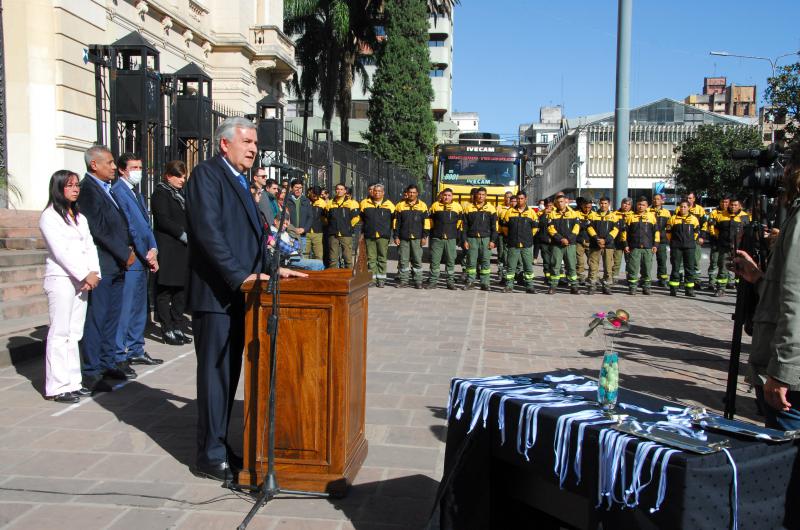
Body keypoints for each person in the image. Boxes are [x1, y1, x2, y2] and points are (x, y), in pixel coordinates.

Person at [184, 116, 306, 483]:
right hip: (216, 295)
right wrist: (240, 276)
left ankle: (221, 444)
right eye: (248, 142)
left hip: (241, 294)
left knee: (230, 374)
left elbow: (253, 238)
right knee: (216, 375)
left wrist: (273, 267)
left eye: (255, 144)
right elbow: (209, 233)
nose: (254, 149)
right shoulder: (207, 175)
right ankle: (210, 454)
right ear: (226, 143)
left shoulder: (239, 180)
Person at [734, 148, 800, 430]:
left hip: (792, 381)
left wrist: (783, 372)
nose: (782, 174)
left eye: (788, 166)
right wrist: (759, 279)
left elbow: (796, 301)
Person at [78, 145, 137, 392]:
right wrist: (124, 253)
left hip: (118, 263)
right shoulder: (88, 190)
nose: (114, 167)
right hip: (104, 263)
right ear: (95, 165)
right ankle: (92, 370)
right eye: (110, 163)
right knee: (98, 317)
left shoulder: (107, 188)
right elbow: (98, 229)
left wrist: (129, 249)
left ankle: (107, 360)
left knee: (112, 316)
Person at [39, 170, 100, 403]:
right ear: (58, 188)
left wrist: (94, 273)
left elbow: (89, 246)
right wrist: (84, 273)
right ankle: (57, 385)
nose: (75, 189)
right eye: (70, 185)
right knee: (60, 332)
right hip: (62, 279)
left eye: (77, 185)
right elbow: (61, 252)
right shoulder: (49, 216)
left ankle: (74, 381)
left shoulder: (79, 217)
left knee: (75, 332)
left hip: (82, 281)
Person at [111, 153, 162, 367]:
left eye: (140, 166)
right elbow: (130, 226)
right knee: (127, 307)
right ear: (123, 170)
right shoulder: (118, 192)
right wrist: (144, 253)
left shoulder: (137, 194)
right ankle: (119, 352)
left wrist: (154, 249)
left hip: (145, 256)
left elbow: (145, 225)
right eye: (134, 167)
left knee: (140, 306)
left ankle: (136, 347)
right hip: (133, 257)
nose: (138, 171)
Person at [151, 160, 192, 346]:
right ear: (169, 176)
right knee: (165, 290)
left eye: (184, 176)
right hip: (169, 247)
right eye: (179, 176)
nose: (183, 180)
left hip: (182, 250)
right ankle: (166, 327)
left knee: (180, 291)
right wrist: (182, 234)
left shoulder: (179, 194)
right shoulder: (161, 193)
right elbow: (163, 219)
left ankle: (177, 325)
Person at [709, 197, 749, 297]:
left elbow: (748, 232)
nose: (733, 207)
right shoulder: (721, 215)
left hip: (740, 248)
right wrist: (718, 237)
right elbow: (715, 228)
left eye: (735, 205)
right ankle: (721, 289)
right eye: (731, 205)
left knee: (740, 269)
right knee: (723, 268)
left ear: (740, 206)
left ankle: (741, 289)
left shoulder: (745, 216)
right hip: (724, 246)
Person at [501, 191, 538, 293]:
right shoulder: (509, 212)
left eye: (522, 199)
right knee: (511, 266)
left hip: (526, 244)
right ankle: (509, 285)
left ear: (526, 199)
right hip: (513, 244)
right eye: (518, 199)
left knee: (528, 266)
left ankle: (529, 286)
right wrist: (511, 236)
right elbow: (504, 228)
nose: (520, 200)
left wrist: (528, 237)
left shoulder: (531, 213)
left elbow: (535, 228)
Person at [393, 184, 429, 289]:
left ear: (417, 193)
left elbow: (426, 223)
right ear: (407, 193)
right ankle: (404, 281)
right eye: (410, 192)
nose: (412, 194)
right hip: (404, 238)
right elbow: (396, 223)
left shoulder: (423, 205)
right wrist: (396, 236)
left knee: (417, 259)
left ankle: (418, 281)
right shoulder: (400, 206)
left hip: (418, 238)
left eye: (414, 192)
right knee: (404, 260)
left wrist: (424, 237)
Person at [461, 187, 497, 290]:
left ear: (486, 196)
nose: (480, 196)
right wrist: (465, 240)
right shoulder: (468, 208)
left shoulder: (491, 208)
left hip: (486, 239)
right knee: (471, 261)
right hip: (472, 239)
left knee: (485, 261)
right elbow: (464, 227)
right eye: (479, 194)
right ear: (476, 195)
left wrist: (493, 241)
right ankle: (470, 282)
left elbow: (494, 227)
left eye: (483, 194)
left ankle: (485, 283)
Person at [359, 183, 395, 287]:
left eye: (379, 191)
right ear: (372, 192)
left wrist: (391, 233)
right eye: (375, 191)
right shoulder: (365, 203)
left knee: (382, 257)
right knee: (371, 258)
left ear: (383, 193)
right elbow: (362, 219)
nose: (377, 193)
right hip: (369, 235)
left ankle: (382, 279)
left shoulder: (390, 205)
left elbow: (394, 220)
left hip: (383, 236)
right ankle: (372, 279)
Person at [427, 188, 463, 290]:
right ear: (442, 196)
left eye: (449, 195)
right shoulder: (435, 206)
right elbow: (430, 222)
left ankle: (450, 282)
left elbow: (460, 224)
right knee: (435, 260)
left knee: (451, 260)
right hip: (437, 238)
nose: (446, 197)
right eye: (445, 195)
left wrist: (458, 236)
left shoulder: (458, 207)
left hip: (451, 238)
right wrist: (432, 234)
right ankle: (433, 281)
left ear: (452, 196)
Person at [622, 196, 659, 295]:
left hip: (648, 247)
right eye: (639, 204)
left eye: (643, 205)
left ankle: (646, 287)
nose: (641, 207)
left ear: (647, 206)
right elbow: (625, 233)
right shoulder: (630, 217)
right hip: (634, 247)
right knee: (633, 268)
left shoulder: (651, 217)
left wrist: (655, 245)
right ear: (636, 205)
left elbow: (656, 232)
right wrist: (625, 244)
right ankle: (633, 287)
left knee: (647, 268)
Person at [545, 194, 580, 295]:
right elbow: (550, 229)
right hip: (557, 244)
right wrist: (561, 239)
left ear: (566, 202)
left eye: (562, 201)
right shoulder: (552, 214)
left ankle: (574, 286)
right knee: (555, 265)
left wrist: (568, 239)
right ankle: (553, 286)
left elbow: (576, 228)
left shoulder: (574, 214)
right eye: (558, 202)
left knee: (571, 265)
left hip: (570, 244)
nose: (560, 204)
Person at [666, 200, 700, 297]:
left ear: (689, 208)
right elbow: (668, 233)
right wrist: (673, 242)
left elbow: (696, 232)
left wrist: (691, 240)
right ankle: (673, 289)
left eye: (685, 207)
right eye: (681, 207)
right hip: (676, 247)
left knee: (689, 268)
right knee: (675, 268)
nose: (682, 208)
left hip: (689, 247)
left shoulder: (694, 219)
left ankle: (689, 290)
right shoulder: (672, 219)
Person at [586, 197, 619, 295]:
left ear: (609, 204)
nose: (603, 205)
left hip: (608, 245)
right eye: (601, 203)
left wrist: (606, 240)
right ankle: (592, 285)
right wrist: (597, 239)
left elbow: (616, 230)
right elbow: (589, 228)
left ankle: (607, 286)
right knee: (593, 266)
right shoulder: (593, 215)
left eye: (605, 203)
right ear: (599, 204)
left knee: (608, 266)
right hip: (595, 244)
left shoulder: (614, 216)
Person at [325, 182, 360, 268]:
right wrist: (331, 226)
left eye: (341, 189)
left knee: (347, 257)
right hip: (333, 234)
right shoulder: (330, 203)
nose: (339, 191)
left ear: (345, 191)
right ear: (335, 191)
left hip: (346, 233)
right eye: (337, 189)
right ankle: (333, 278)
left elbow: (356, 218)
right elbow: (326, 218)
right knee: (333, 259)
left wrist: (348, 226)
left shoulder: (352, 203)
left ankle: (349, 277)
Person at [704, 196, 730, 290]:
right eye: (723, 202)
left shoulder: (731, 213)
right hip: (716, 241)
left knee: (727, 262)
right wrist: (716, 235)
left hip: (727, 243)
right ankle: (712, 282)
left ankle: (729, 282)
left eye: (726, 202)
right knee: (714, 262)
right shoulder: (714, 212)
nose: (724, 204)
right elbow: (711, 226)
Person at [648, 193, 672, 287]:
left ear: (662, 201)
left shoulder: (666, 212)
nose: (655, 201)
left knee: (662, 260)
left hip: (662, 240)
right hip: (649, 240)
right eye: (654, 199)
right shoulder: (648, 211)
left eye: (658, 199)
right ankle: (645, 279)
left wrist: (668, 239)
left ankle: (662, 279)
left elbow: (669, 227)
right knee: (647, 261)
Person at [686, 191, 708, 285]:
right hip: (683, 239)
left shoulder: (700, 209)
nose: (688, 200)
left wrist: (702, 237)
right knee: (683, 262)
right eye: (687, 198)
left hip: (695, 239)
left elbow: (704, 224)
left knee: (695, 260)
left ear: (694, 199)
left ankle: (697, 280)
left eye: (690, 198)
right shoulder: (680, 208)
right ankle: (684, 280)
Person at [286, 178, 312, 252]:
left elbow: (310, 217)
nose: (298, 190)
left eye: (300, 188)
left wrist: (304, 229)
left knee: (300, 256)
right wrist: (292, 229)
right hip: (289, 234)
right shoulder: (287, 200)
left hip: (302, 235)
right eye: (296, 187)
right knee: (289, 257)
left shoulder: (306, 201)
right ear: (292, 188)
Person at [611, 197, 632, 283]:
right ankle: (614, 277)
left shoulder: (633, 215)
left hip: (629, 243)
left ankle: (630, 278)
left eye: (628, 204)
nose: (626, 206)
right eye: (624, 203)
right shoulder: (614, 214)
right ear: (621, 204)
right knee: (616, 261)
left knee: (630, 261)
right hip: (617, 242)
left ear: (631, 206)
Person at [304, 186, 327, 261]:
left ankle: (318, 270)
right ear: (310, 192)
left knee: (318, 254)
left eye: (318, 196)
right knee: (304, 254)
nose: (315, 197)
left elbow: (325, 217)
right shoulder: (304, 200)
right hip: (305, 232)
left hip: (317, 232)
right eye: (314, 195)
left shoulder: (322, 203)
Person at [535, 199, 554, 284]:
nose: (549, 208)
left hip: (554, 241)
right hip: (544, 240)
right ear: (545, 206)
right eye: (548, 206)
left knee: (554, 260)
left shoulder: (555, 213)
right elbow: (538, 225)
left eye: (551, 206)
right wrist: (544, 214)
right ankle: (547, 277)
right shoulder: (540, 214)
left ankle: (555, 277)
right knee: (546, 260)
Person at [496, 191, 513, 279]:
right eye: (506, 197)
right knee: (501, 253)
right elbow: (496, 220)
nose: (508, 199)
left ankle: (509, 271)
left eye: (510, 197)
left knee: (510, 253)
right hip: (501, 234)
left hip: (512, 235)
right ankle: (500, 270)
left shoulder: (514, 208)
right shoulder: (499, 207)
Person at [575, 198, 593, 284]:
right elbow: (576, 226)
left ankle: (591, 277)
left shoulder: (594, 215)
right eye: (585, 207)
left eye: (589, 207)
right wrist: (585, 224)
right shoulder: (576, 214)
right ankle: (580, 277)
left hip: (591, 241)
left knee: (592, 262)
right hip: (579, 241)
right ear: (582, 206)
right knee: (579, 262)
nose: (587, 209)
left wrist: (583, 224)